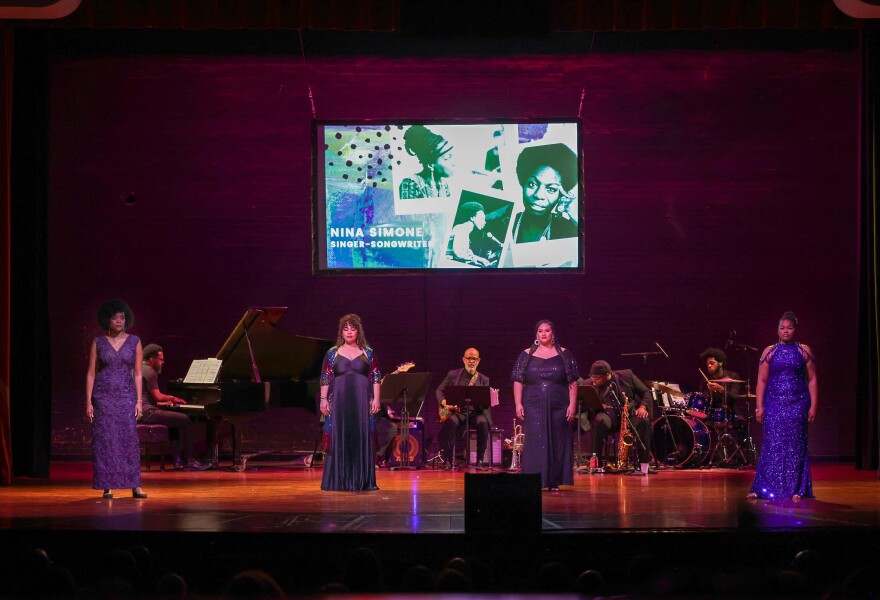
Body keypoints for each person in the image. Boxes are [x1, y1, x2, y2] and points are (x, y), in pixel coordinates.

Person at [748, 311, 817, 500]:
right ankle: (763, 488)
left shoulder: (804, 350)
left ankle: (797, 490)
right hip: (774, 403)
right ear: (777, 330)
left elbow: (812, 379)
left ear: (795, 330)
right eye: (782, 328)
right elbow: (761, 381)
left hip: (798, 403)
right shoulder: (769, 351)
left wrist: (813, 405)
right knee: (772, 444)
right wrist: (759, 407)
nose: (786, 331)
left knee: (796, 444)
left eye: (790, 328)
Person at [85, 299, 147, 499]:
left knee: (128, 439)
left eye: (122, 317)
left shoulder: (135, 341)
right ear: (107, 320)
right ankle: (107, 485)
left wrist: (138, 401)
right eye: (115, 317)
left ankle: (135, 486)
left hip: (126, 395)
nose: (119, 321)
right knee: (106, 440)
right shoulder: (98, 343)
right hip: (103, 396)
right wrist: (88, 401)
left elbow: (138, 373)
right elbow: (91, 374)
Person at [511, 320, 579, 490]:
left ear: (552, 334)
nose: (543, 334)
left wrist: (572, 404)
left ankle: (554, 481)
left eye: (547, 331)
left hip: (558, 404)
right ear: (536, 335)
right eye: (540, 331)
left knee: (557, 440)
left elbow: (572, 382)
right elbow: (518, 381)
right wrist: (518, 403)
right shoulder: (526, 354)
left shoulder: (564, 354)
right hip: (533, 403)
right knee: (535, 439)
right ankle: (534, 479)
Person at [319, 314, 381, 491]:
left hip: (362, 402)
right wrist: (323, 400)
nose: (349, 332)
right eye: (345, 329)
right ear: (341, 332)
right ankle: (338, 480)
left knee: (361, 435)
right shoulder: (332, 353)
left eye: (352, 328)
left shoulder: (368, 353)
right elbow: (325, 377)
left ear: (358, 331)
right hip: (339, 402)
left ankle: (362, 481)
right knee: (339, 435)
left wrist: (376, 399)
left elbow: (376, 376)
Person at [139, 344, 209, 470]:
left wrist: (164, 404)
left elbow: (145, 396)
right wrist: (173, 398)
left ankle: (177, 461)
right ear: (152, 359)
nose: (163, 362)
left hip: (139, 410)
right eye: (161, 359)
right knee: (187, 421)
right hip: (148, 412)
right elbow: (158, 397)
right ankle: (189, 460)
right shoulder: (150, 371)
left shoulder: (138, 368)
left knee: (173, 419)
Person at [587, 360, 655, 475]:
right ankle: (596, 465)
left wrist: (643, 407)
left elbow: (645, 392)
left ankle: (644, 464)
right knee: (599, 421)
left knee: (643, 421)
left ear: (607, 375)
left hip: (628, 415)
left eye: (597, 378)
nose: (593, 380)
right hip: (608, 416)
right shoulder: (589, 384)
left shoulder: (627, 375)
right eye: (592, 376)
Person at [436, 348, 493, 469]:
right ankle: (448, 460)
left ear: (478, 361)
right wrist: (444, 402)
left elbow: (485, 402)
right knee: (450, 422)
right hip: (457, 412)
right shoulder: (453, 374)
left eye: (474, 359)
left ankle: (480, 460)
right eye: (468, 358)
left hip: (475, 413)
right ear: (463, 359)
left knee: (483, 423)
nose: (471, 361)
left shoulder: (484, 379)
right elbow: (439, 390)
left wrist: (492, 398)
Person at [512, 143, 578, 243]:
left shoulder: (569, 231)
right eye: (532, 184)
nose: (538, 195)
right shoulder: (505, 223)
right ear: (523, 183)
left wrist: (576, 217)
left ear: (561, 195)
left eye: (551, 189)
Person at [399, 125, 454, 199]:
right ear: (431, 165)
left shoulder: (444, 185)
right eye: (447, 158)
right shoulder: (410, 185)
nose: (454, 163)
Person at [699, 347, 741, 421]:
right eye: (707, 364)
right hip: (711, 416)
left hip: (730, 414)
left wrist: (721, 389)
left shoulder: (733, 376)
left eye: (712, 363)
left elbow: (733, 398)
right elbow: (704, 401)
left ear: (720, 363)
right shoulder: (705, 379)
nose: (709, 366)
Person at [448, 202, 494, 267]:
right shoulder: (461, 228)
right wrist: (479, 259)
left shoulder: (465, 229)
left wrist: (480, 259)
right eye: (482, 219)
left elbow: (465, 252)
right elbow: (459, 253)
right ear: (472, 218)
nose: (485, 222)